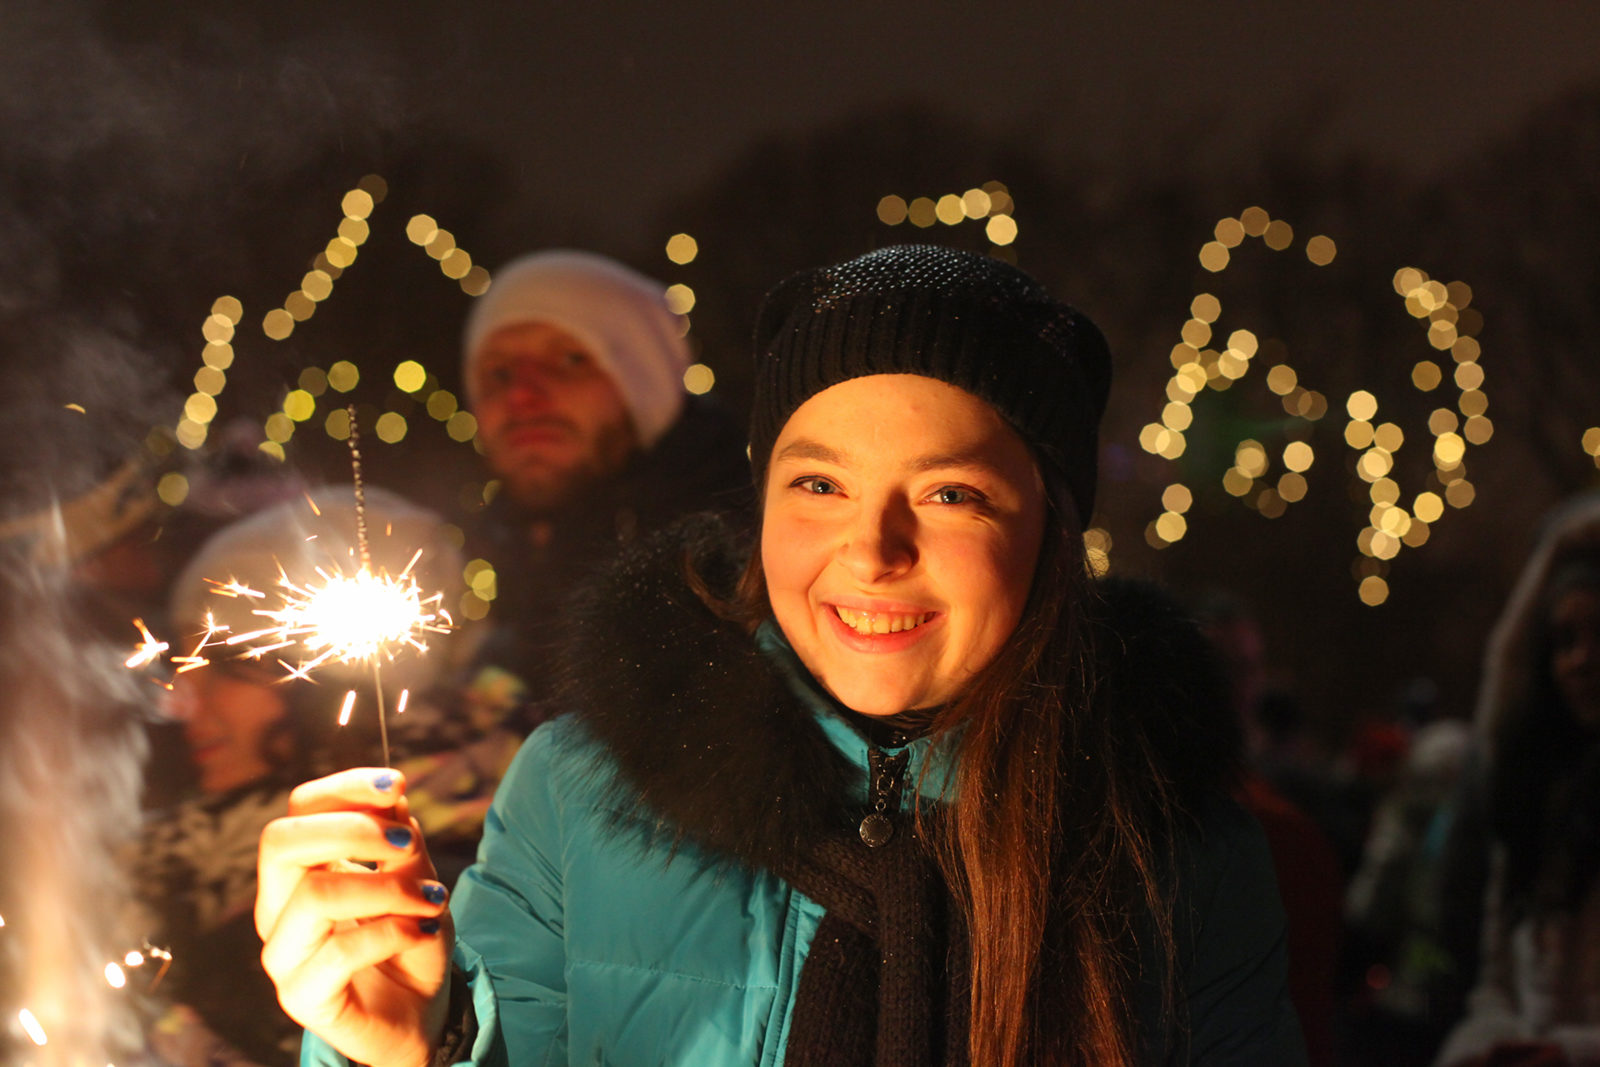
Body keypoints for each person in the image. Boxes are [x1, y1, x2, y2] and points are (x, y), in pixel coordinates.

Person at [255, 245, 1305, 1066]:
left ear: (1051, 531)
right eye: (818, 484)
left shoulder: (1174, 846)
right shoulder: (580, 792)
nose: (872, 550)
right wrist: (405, 1041)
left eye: (951, 493)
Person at [129, 486, 500, 1067]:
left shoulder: (469, 881)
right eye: (182, 666)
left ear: (323, 688)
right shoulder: (181, 862)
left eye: (223, 669)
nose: (183, 704)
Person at [459, 250, 751, 725]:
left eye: (571, 359)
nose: (521, 394)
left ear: (643, 382)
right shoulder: (497, 559)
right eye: (498, 373)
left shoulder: (739, 572)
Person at [1434, 493, 1600, 1067]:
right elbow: (1498, 985)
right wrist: (1486, 1045)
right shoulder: (1538, 799)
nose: (1580, 661)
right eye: (1564, 640)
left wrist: (1568, 1053)